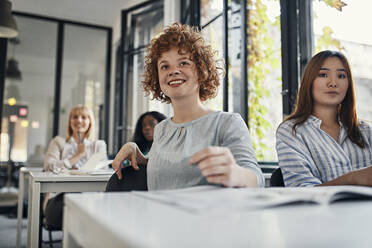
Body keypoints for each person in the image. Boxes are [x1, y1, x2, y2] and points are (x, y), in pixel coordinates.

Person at [111, 23, 264, 191]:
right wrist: (135, 151)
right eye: (165, 66)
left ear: (201, 70)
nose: (173, 71)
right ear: (157, 76)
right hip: (158, 216)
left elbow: (256, 178)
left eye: (183, 63)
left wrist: (237, 174)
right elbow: (170, 170)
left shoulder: (227, 123)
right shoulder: (161, 129)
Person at [276, 50, 372, 187]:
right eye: (323, 75)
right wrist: (352, 179)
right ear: (309, 82)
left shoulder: (366, 131)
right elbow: (301, 192)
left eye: (341, 76)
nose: (333, 83)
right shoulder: (291, 132)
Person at [43, 105, 107, 229]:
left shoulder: (98, 145)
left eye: (84, 117)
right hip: (59, 198)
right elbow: (49, 167)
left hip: (90, 198)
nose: (79, 120)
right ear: (70, 121)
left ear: (90, 122)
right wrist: (78, 155)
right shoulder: (58, 142)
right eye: (75, 117)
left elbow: (102, 173)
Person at [106, 111, 167, 191]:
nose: (147, 128)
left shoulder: (166, 149)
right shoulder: (137, 148)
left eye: (151, 124)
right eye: (143, 126)